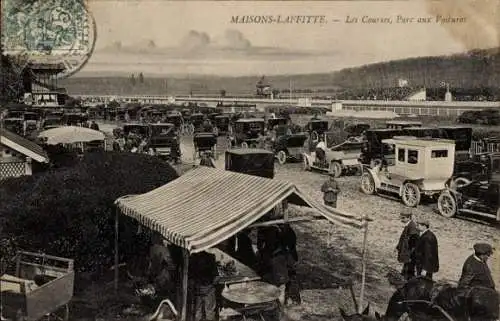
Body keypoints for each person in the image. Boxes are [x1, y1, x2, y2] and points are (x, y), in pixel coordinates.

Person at [188, 252, 219, 321]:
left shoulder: (192, 258)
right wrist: (211, 286)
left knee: (198, 312)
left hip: (198, 288)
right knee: (209, 312)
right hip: (207, 288)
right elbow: (216, 277)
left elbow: (190, 279)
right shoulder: (210, 257)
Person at [280, 224, 301, 305]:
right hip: (290, 257)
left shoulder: (287, 233)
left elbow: (289, 246)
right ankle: (290, 297)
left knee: (290, 280)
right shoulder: (289, 232)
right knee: (290, 279)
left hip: (290, 258)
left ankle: (292, 298)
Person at [396, 211, 419, 281]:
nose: (402, 220)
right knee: (406, 264)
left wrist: (411, 252)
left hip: (410, 251)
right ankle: (405, 277)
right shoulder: (409, 225)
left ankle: (407, 280)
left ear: (409, 218)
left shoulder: (412, 226)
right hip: (408, 250)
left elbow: (414, 240)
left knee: (409, 266)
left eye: (403, 218)